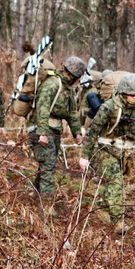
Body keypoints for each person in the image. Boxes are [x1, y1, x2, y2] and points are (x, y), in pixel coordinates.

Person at [79, 73, 135, 232]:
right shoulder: (109, 107)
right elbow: (93, 131)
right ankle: (118, 223)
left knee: (113, 184)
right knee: (116, 184)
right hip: (105, 150)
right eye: (131, 95)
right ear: (123, 92)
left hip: (124, 152)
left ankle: (104, 208)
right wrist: (84, 156)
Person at [31, 56, 85, 210]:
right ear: (74, 75)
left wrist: (76, 133)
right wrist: (42, 133)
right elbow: (42, 108)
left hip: (54, 130)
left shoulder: (68, 88)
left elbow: (72, 113)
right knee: (49, 165)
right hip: (42, 128)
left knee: (47, 164)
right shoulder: (52, 84)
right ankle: (46, 205)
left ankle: (36, 194)